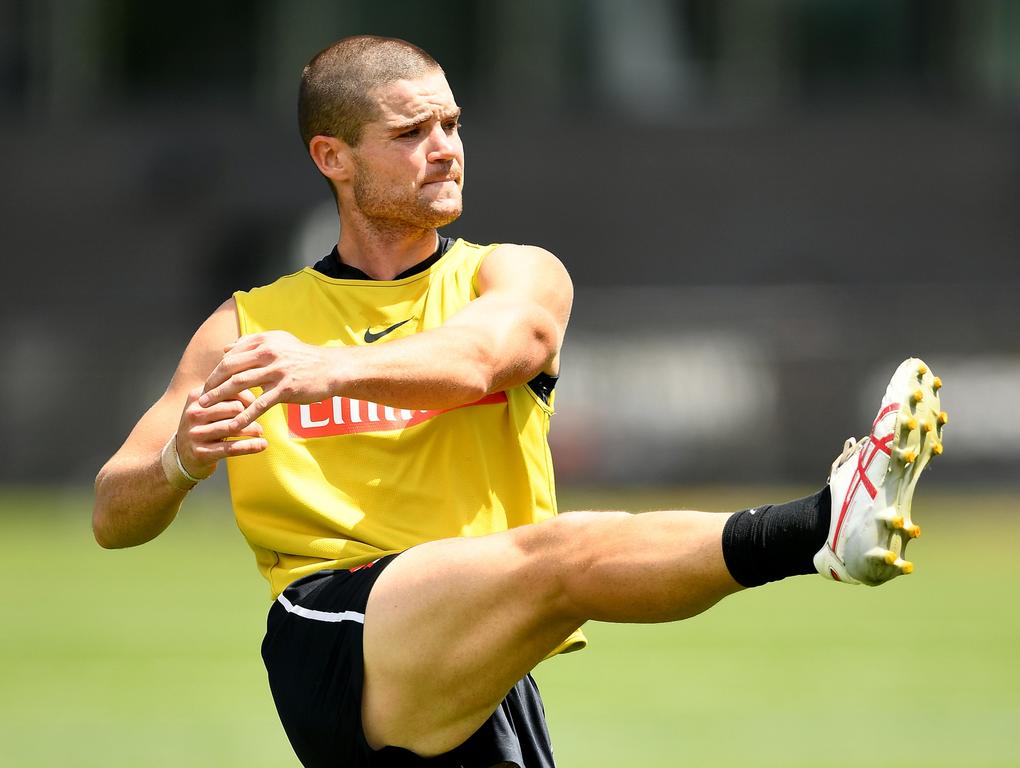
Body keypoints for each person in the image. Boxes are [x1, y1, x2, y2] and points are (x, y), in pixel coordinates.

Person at [92, 34, 947, 768]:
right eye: (412, 131)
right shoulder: (248, 324)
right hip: (336, 628)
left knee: (550, 564)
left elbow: (490, 357)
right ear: (333, 157)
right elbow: (112, 512)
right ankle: (823, 528)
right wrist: (181, 461)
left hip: (482, 655)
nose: (446, 147)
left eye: (453, 124)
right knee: (566, 556)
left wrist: (329, 371)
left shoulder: (509, 273)